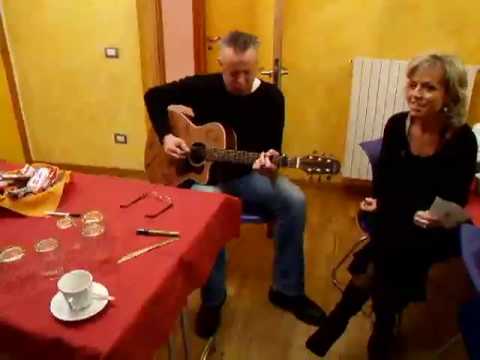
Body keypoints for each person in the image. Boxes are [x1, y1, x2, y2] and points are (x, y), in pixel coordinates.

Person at [144, 30, 326, 339]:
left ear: (257, 66)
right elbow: (154, 96)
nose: (240, 80)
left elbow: (271, 152)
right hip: (204, 179)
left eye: (247, 72)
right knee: (210, 211)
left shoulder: (271, 98)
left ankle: (287, 289)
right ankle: (213, 300)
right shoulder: (204, 87)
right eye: (232, 74)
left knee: (294, 200)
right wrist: (167, 136)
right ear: (220, 64)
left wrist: (269, 166)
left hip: (247, 175)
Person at [306, 53, 478, 359]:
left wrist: (438, 216)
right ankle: (383, 327)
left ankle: (344, 320)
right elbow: (385, 181)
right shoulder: (398, 125)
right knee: (394, 245)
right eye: (412, 84)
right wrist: (378, 199)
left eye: (428, 87)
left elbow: (456, 199)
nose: (415, 94)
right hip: (397, 215)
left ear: (450, 94)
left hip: (435, 225)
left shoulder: (463, 139)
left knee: (391, 250)